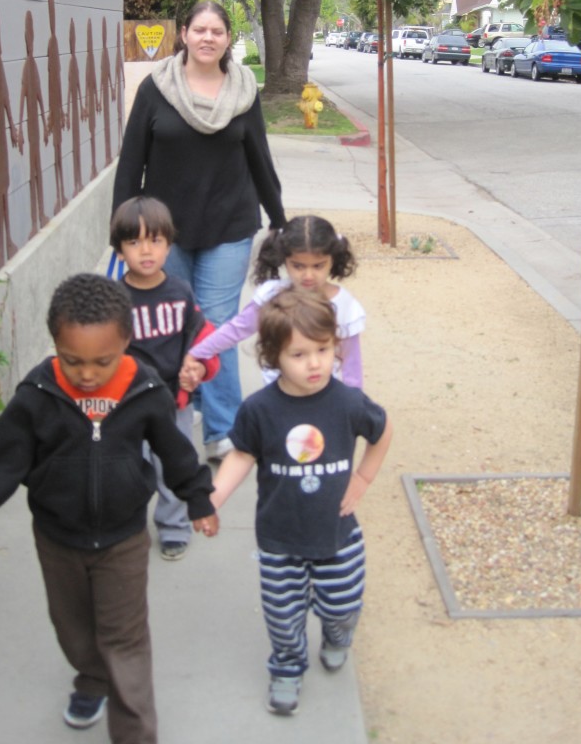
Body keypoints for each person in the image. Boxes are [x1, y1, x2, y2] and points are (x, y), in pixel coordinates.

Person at [0, 273, 219, 744]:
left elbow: (174, 449)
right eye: (72, 359)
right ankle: (91, 678)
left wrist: (197, 497)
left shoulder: (144, 391)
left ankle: (135, 733)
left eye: (102, 361)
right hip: (58, 540)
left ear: (126, 341)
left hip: (122, 538)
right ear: (55, 342)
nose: (86, 374)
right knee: (74, 630)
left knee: (125, 639)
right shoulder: (38, 396)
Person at [112, 0, 286, 462]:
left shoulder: (244, 92)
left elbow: (260, 161)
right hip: (163, 233)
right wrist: (122, 230)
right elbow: (131, 162)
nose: (208, 38)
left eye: (217, 31)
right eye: (199, 29)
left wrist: (281, 221)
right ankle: (171, 418)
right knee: (172, 327)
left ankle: (221, 430)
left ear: (228, 39)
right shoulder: (157, 89)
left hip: (229, 226)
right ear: (183, 34)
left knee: (218, 326)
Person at [209, 288, 392, 717]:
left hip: (338, 533)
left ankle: (337, 634)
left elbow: (382, 432)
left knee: (344, 603)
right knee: (282, 614)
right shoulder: (259, 410)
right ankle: (287, 667)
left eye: (323, 350)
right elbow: (242, 454)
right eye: (299, 354)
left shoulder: (348, 402)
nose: (314, 363)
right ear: (272, 358)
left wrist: (363, 478)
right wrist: (212, 499)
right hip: (280, 537)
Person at [110, 195, 220, 561]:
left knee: (174, 465)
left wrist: (200, 367)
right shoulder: (114, 300)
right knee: (128, 470)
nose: (146, 250)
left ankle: (173, 528)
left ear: (169, 245)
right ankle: (126, 529)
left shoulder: (180, 292)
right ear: (119, 249)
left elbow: (201, 337)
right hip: (127, 406)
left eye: (155, 240)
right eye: (134, 241)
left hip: (175, 402)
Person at [183, 214, 365, 391]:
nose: (308, 275)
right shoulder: (271, 296)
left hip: (326, 398)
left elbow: (351, 367)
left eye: (318, 265)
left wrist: (356, 410)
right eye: (298, 266)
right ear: (284, 260)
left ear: (332, 260)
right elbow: (235, 329)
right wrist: (197, 352)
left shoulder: (344, 306)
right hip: (277, 396)